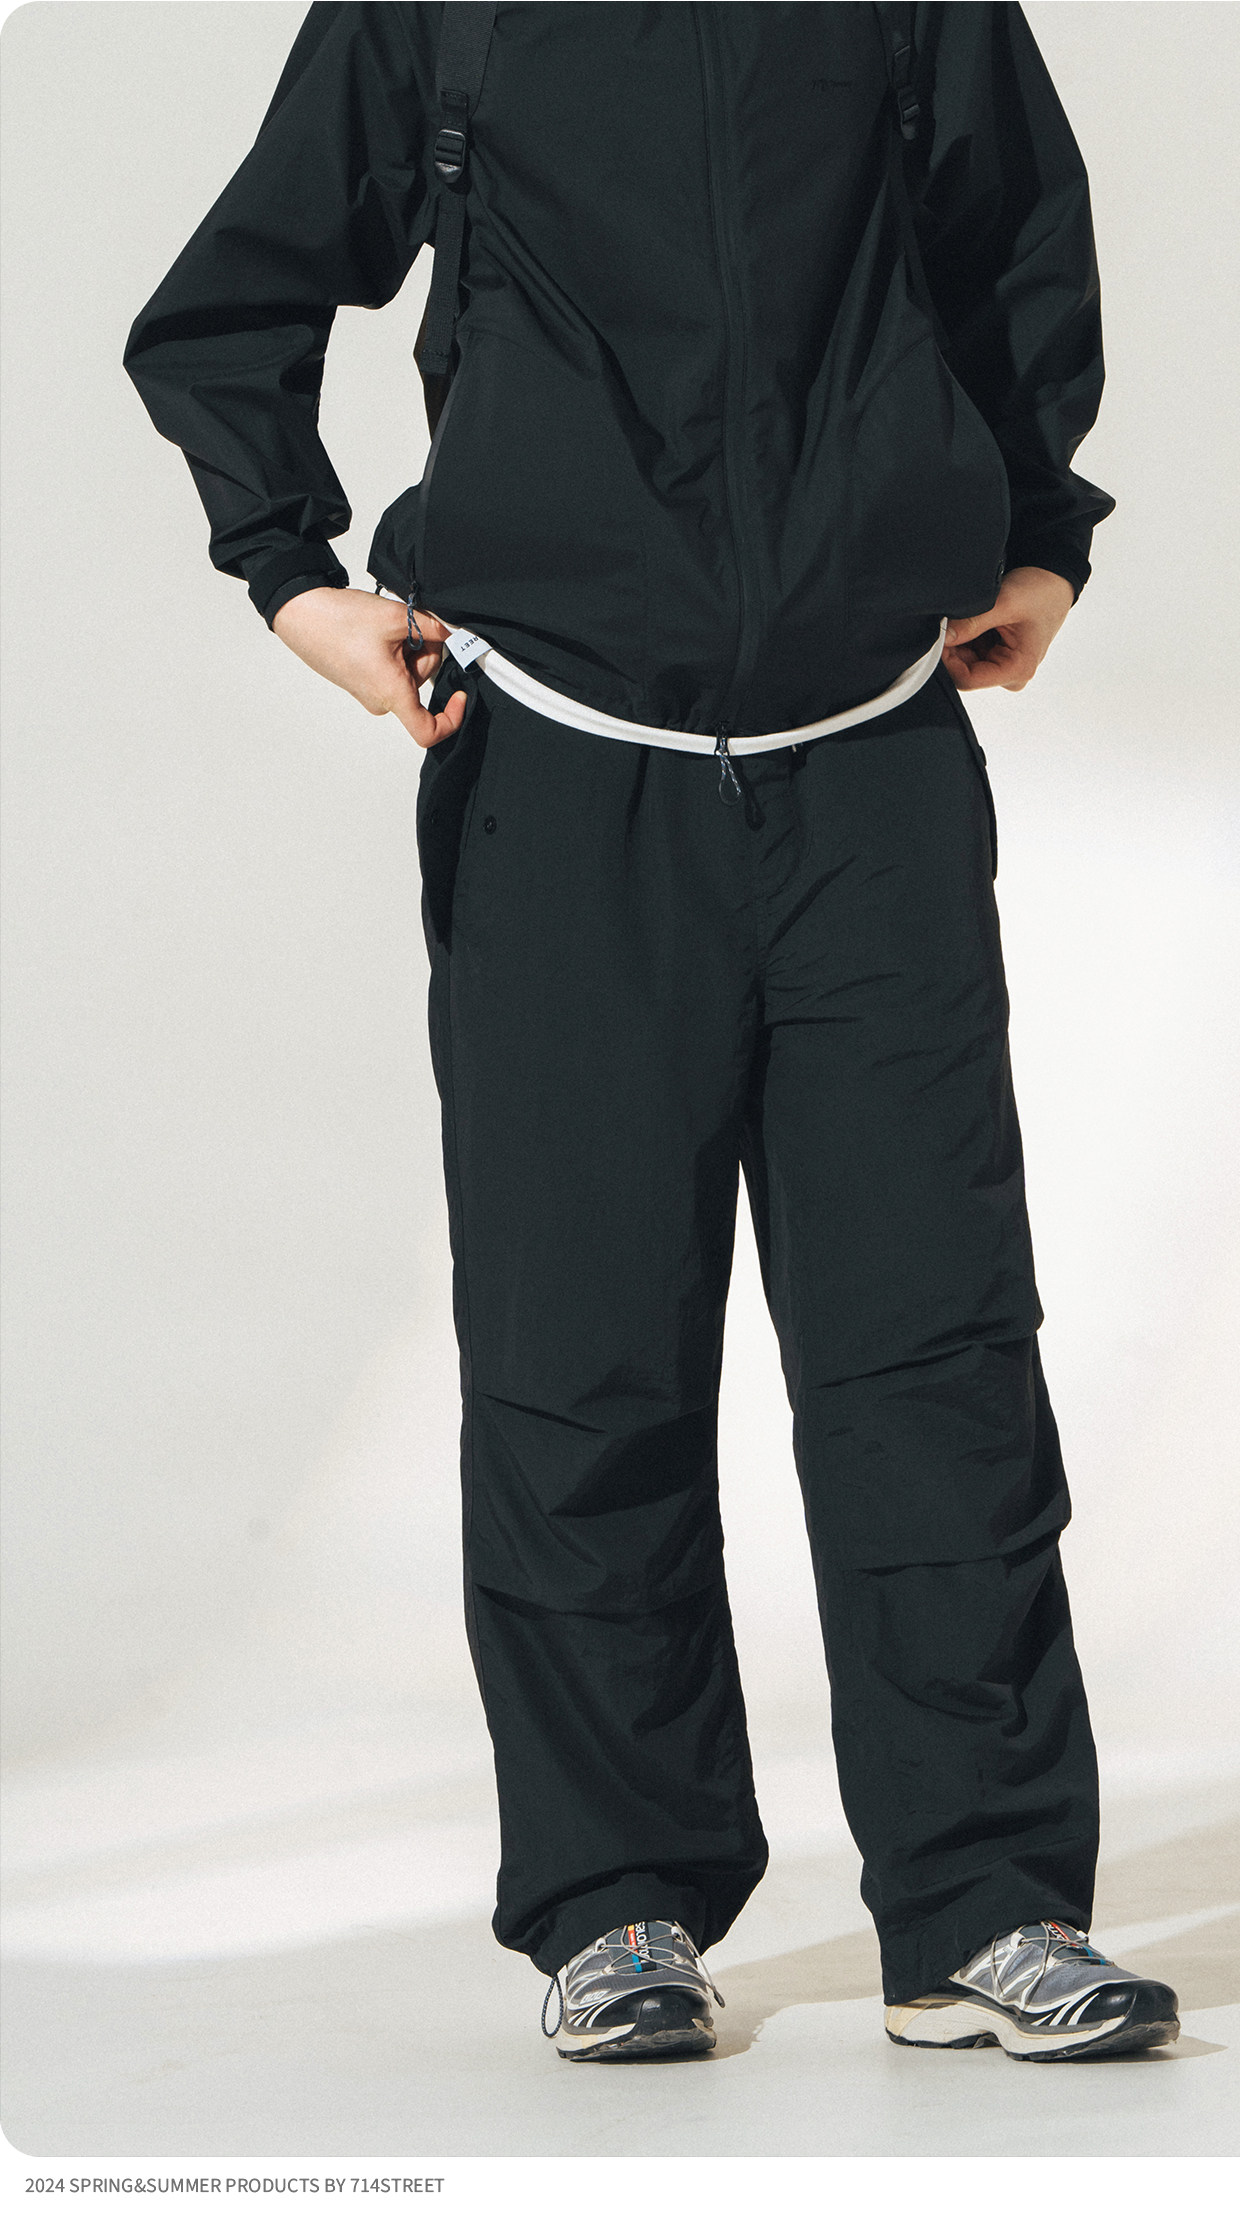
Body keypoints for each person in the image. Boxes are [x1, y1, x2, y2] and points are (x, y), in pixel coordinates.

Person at [124, 0, 1180, 2065]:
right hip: (558, 771)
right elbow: (230, 299)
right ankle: (618, 1901)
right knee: (578, 1353)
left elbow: (1015, 245)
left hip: (873, 766)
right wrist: (290, 572)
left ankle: (983, 1901)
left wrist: (1041, 537)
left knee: (934, 1346)